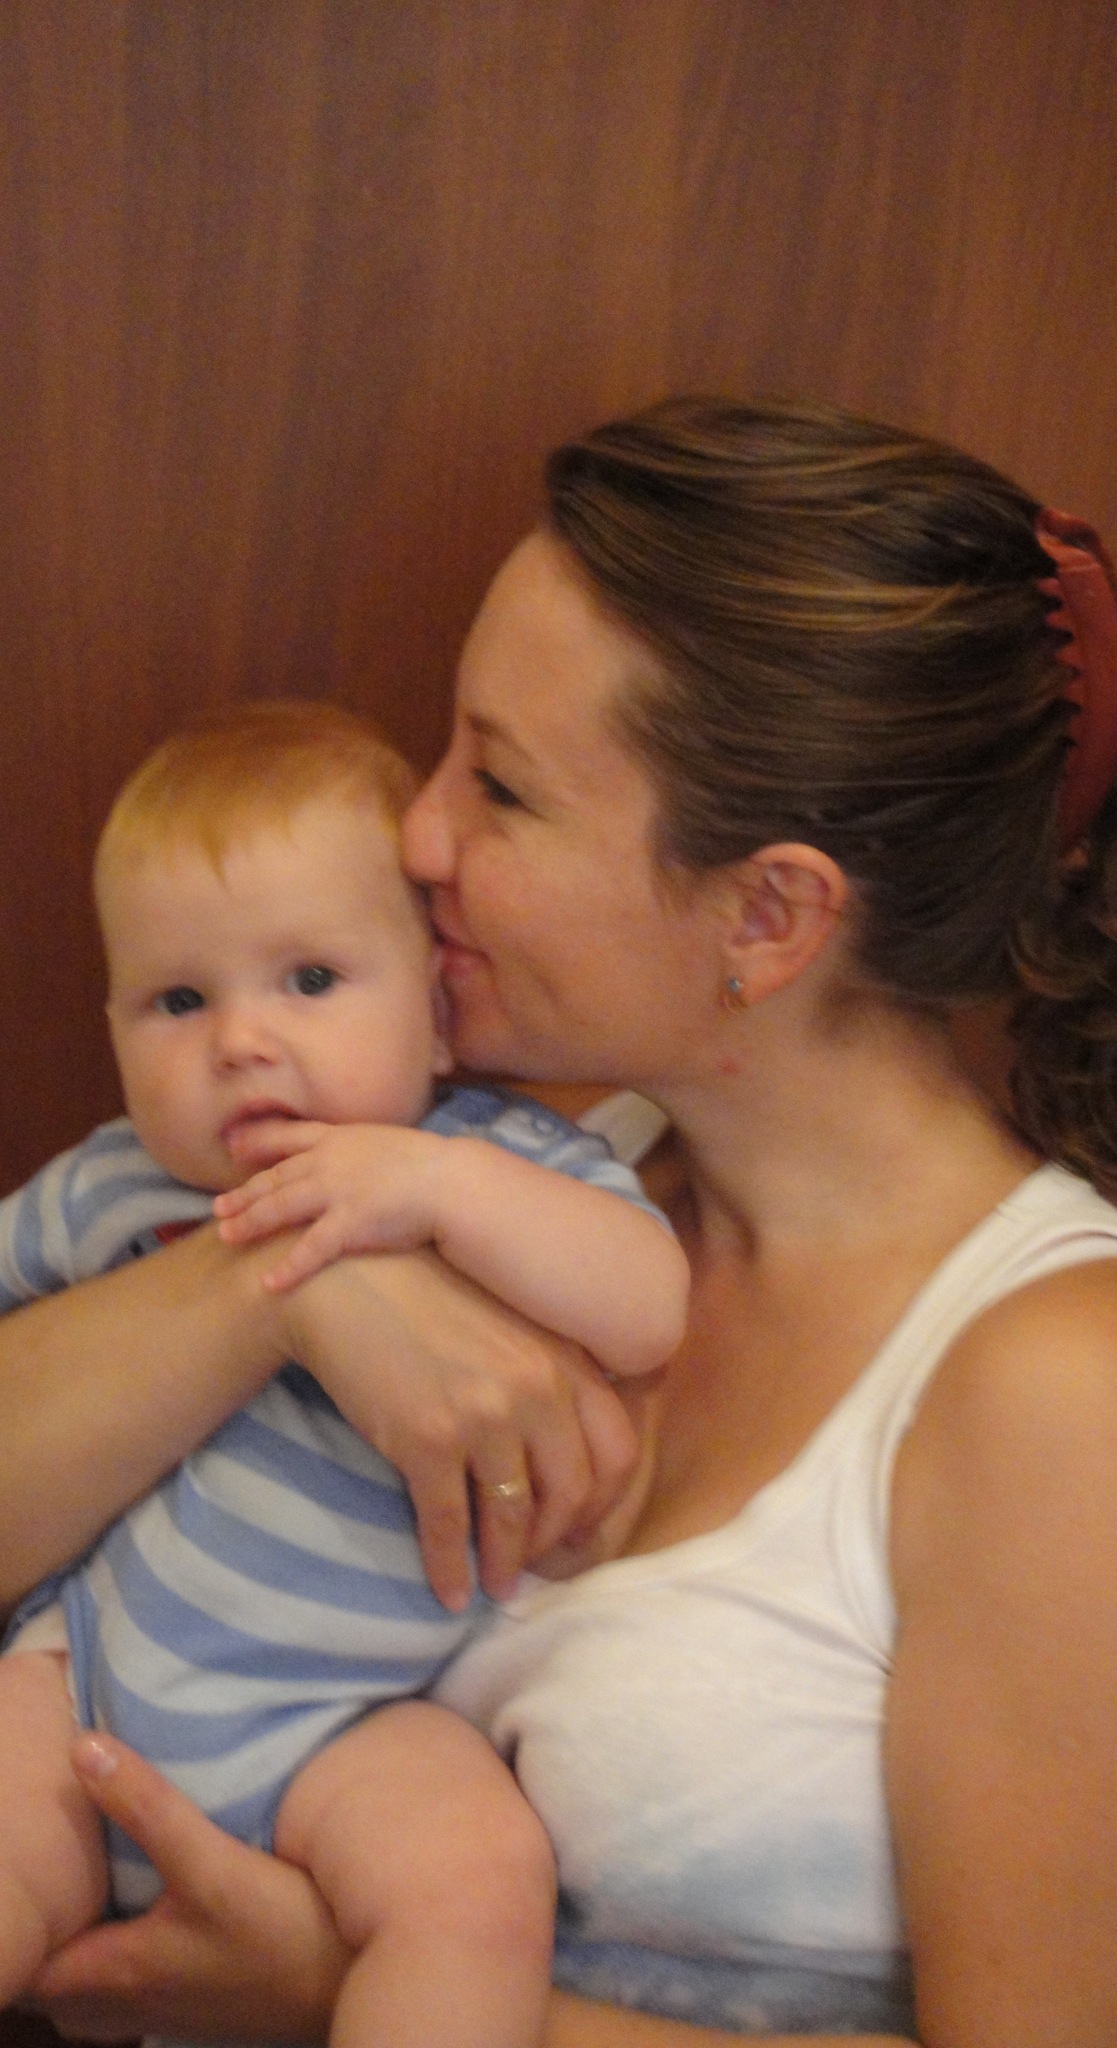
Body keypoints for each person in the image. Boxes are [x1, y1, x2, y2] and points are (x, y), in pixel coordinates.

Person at [2, 394, 1117, 2048]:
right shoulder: (522, 1168)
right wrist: (284, 1287)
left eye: (503, 789)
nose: (417, 835)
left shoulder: (1071, 1385)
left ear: (769, 915)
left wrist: (333, 1989)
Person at [0, 699, 688, 2048]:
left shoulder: (495, 1162)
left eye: (310, 980)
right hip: (78, 1684)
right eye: (179, 1000)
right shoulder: (115, 1185)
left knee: (480, 1889)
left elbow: (649, 1302)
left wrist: (434, 1188)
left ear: (436, 1014)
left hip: (345, 1730)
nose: (241, 1041)